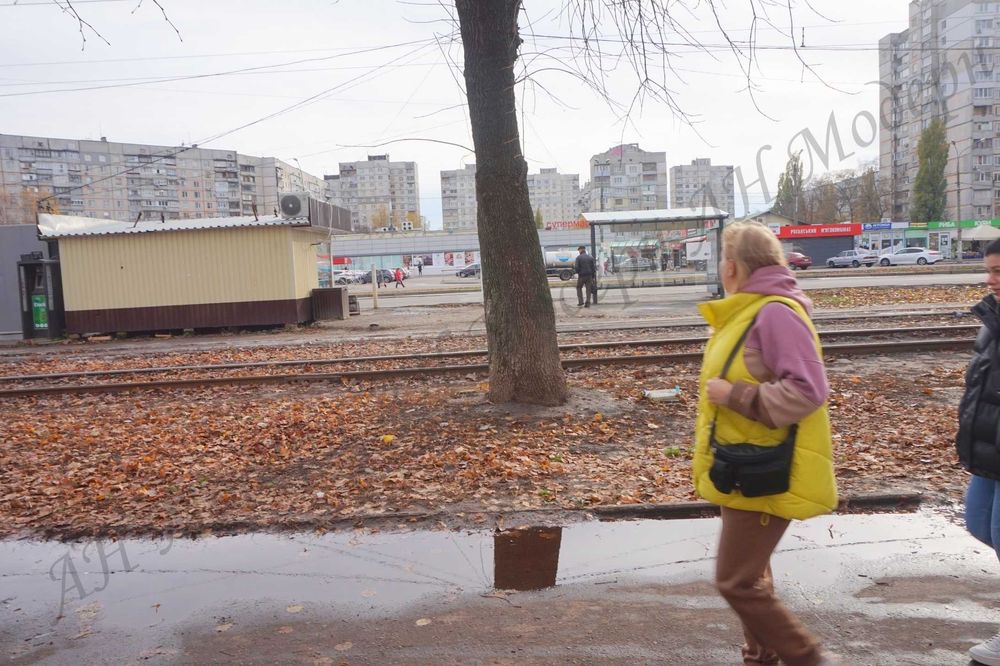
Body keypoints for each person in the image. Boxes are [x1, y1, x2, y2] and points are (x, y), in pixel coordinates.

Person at [691, 222, 840, 666]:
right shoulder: (748, 310)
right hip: (744, 463)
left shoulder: (774, 312)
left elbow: (808, 389)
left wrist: (734, 395)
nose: (720, 266)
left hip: (766, 467)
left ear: (733, 266)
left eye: (721, 258)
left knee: (735, 580)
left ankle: (809, 659)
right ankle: (760, 655)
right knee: (753, 574)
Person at [957, 238, 1000, 666]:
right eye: (989, 271)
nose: (991, 280)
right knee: (980, 523)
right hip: (989, 449)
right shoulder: (991, 318)